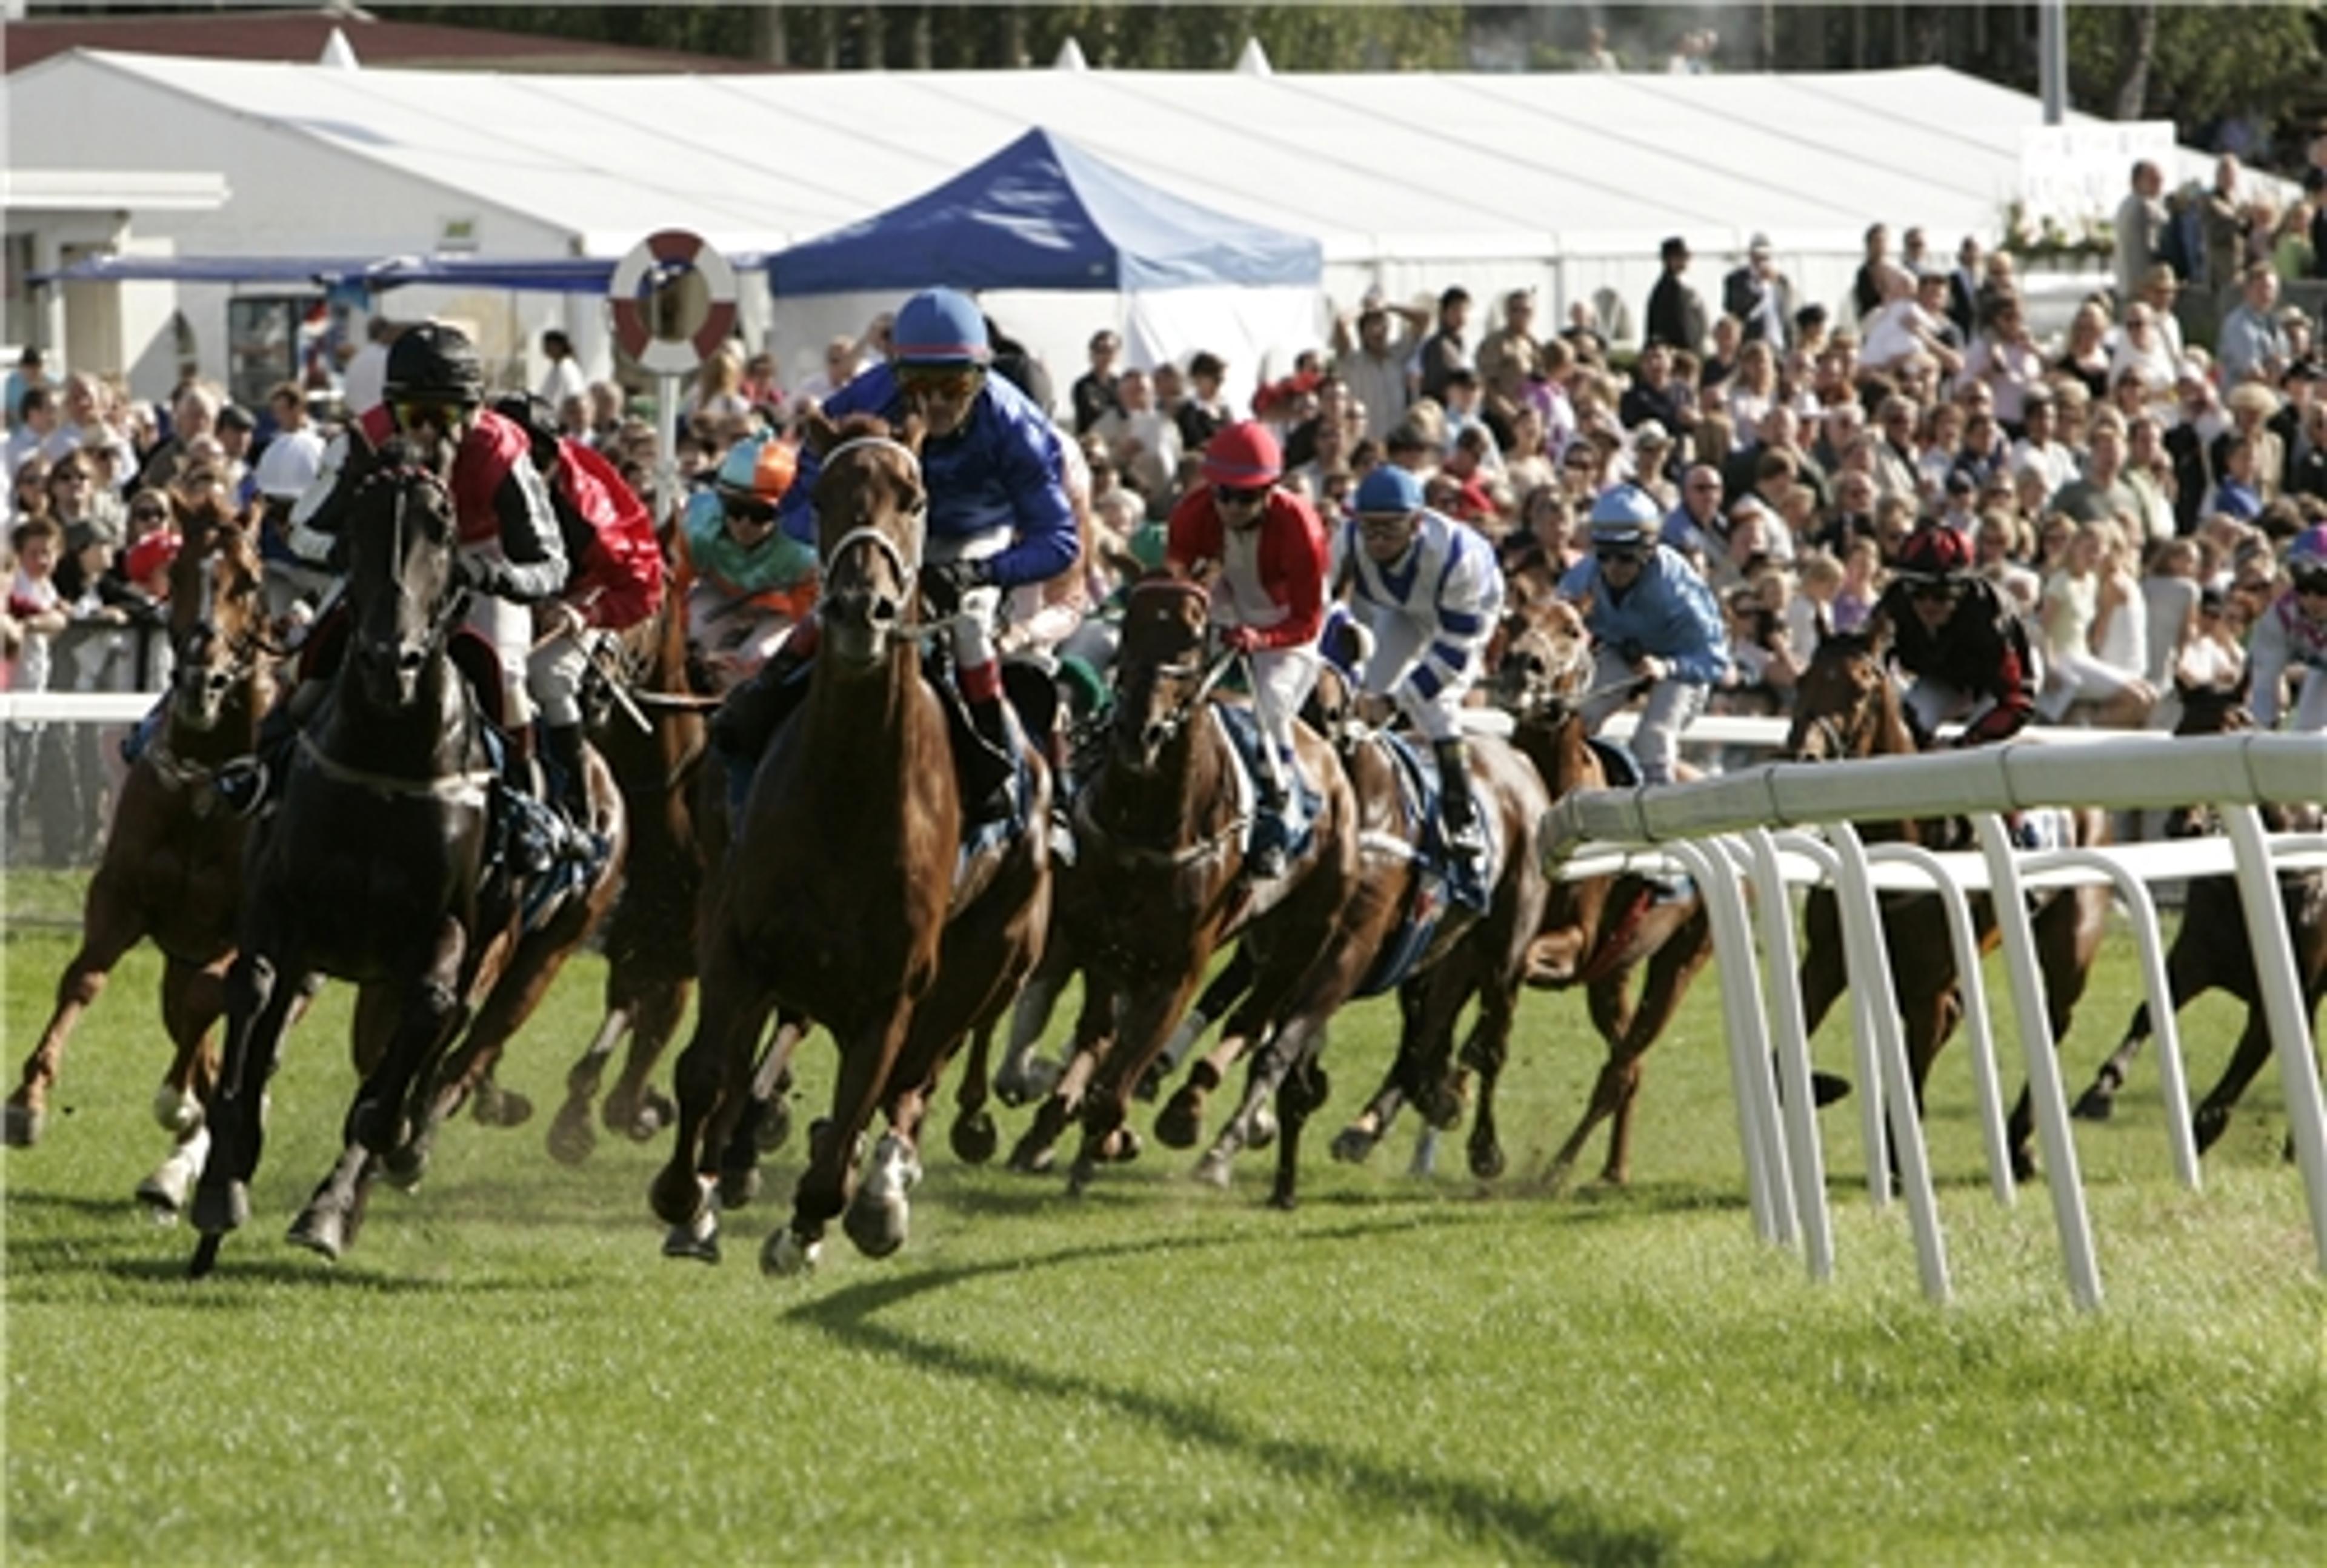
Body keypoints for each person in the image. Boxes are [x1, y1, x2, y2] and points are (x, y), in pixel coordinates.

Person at [720, 287, 1078, 825]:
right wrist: (849, 543)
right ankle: (759, 702)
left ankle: (997, 763)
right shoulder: (854, 405)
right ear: (894, 371)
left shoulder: (1017, 427)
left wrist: (977, 572)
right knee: (841, 605)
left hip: (971, 536)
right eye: (917, 384)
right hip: (881, 527)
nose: (934, 403)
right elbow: (796, 511)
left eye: (953, 385)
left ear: (981, 376)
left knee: (971, 626)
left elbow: (1058, 542)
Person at [246, 322, 568, 821]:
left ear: (477, 412)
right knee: (303, 671)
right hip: (384, 570)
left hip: (476, 568)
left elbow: (551, 565)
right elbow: (303, 531)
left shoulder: (504, 451)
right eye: (412, 415)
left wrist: (486, 575)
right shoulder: (360, 441)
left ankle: (525, 813)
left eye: (446, 416)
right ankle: (261, 781)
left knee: (508, 683)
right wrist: (355, 556)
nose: (426, 432)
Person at [490, 393, 667, 824]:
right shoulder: (470, 474)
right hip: (496, 593)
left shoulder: (587, 508)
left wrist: (583, 614)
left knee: (546, 677)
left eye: (536, 459)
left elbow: (643, 587)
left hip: (577, 599)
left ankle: (576, 811)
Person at [1164, 422, 1329, 879]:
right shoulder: (1194, 511)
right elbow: (1177, 574)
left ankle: (1281, 820)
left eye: (1245, 497)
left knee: (1270, 708)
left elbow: (1308, 620)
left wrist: (1262, 640)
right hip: (1228, 602)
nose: (1230, 507)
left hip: (1286, 623)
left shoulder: (1302, 529)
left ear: (1271, 491)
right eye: (1222, 494)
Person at [1337, 464, 1503, 897]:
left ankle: (1461, 816)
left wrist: (1394, 704)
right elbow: (1322, 605)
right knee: (1365, 690)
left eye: (1388, 530)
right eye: (1368, 528)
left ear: (1416, 523)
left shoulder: (1457, 556)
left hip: (1463, 618)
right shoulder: (1347, 538)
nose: (1375, 541)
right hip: (1403, 610)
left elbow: (1450, 655)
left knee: (1435, 704)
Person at [1559, 483, 1726, 790]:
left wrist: (1667, 668)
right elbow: (1555, 616)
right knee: (1576, 718)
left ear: (1647, 551)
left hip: (1681, 665)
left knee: (1653, 737)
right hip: (1623, 652)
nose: (1612, 568)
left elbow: (1715, 661)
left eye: (1624, 558)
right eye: (1605, 556)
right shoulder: (1586, 574)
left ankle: (1660, 822)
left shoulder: (1678, 591)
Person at [1871, 523, 2039, 748]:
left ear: (1963, 589)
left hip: (2002, 683)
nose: (1928, 605)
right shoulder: (1895, 604)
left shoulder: (1991, 615)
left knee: (1976, 748)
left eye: (1942, 594)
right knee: (1909, 728)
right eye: (1917, 591)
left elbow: (2017, 700)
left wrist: (1965, 742)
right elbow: (1868, 663)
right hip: (1944, 677)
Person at [682, 433, 816, 689]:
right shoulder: (696, 525)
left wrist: (759, 666)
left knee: (757, 656)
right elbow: (674, 591)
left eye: (760, 514)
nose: (744, 524)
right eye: (734, 509)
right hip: (718, 596)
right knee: (696, 639)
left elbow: (806, 620)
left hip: (781, 610)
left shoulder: (804, 549)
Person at [2248, 523, 2327, 731]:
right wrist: (2262, 734)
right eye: (2302, 584)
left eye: (2322, 586)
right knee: (2308, 730)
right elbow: (2265, 680)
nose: (2311, 598)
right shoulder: (2281, 616)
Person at [1644, 236, 1706, 354]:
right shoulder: (1670, 291)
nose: (1687, 261)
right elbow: (1681, 328)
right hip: (1677, 355)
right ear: (1671, 260)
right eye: (1683, 257)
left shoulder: (1676, 286)